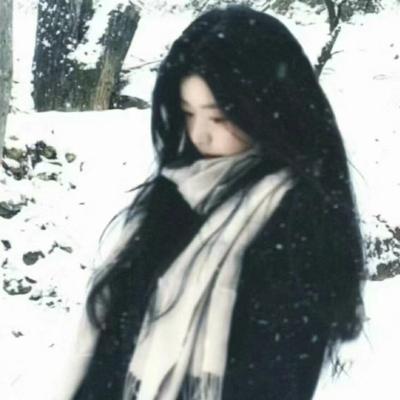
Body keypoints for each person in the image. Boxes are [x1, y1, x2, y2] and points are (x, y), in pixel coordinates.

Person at [65, 5, 365, 400]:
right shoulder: (178, 191)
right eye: (188, 113)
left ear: (266, 108)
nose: (199, 136)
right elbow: (115, 336)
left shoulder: (298, 219)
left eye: (219, 118)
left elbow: (275, 376)